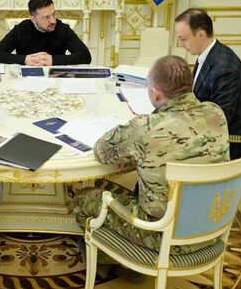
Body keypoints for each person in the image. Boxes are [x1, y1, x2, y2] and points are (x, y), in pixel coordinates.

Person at [70, 55, 229, 270]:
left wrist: (132, 145)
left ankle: (115, 261)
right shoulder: (216, 113)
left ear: (155, 93)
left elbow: (101, 151)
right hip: (212, 224)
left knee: (83, 198)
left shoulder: (145, 128)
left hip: (161, 236)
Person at [174, 7, 241, 159]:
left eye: (183, 39)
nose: (180, 44)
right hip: (206, 127)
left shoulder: (226, 70)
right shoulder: (208, 54)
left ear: (201, 35)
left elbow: (221, 119)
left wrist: (178, 122)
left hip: (226, 144)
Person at [0, 0, 91, 66]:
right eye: (46, 17)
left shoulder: (63, 29)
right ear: (33, 19)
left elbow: (85, 56)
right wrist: (24, 60)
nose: (53, 21)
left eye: (53, 14)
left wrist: (53, 60)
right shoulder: (21, 29)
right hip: (26, 79)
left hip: (55, 78)